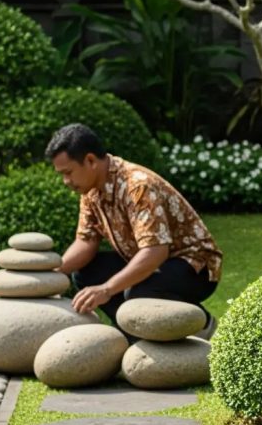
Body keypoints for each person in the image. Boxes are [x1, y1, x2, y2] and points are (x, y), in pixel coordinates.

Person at [46, 124, 222, 337]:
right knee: (85, 273)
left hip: (195, 267)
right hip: (151, 261)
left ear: (90, 160)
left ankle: (202, 325)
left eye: (68, 172)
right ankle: (132, 334)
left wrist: (107, 289)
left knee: (138, 293)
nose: (66, 181)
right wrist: (52, 276)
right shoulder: (90, 191)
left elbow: (156, 251)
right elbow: (86, 242)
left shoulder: (137, 186)